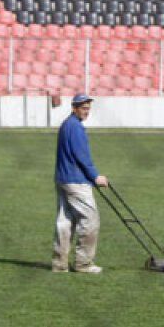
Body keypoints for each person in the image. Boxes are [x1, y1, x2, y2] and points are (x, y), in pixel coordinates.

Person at [51, 93, 109, 273]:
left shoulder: (66, 125)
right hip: (76, 180)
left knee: (65, 221)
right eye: (83, 109)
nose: (86, 112)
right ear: (74, 108)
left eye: (88, 109)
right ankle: (83, 263)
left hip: (62, 178)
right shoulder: (76, 128)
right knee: (90, 219)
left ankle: (59, 264)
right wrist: (95, 176)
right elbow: (81, 156)